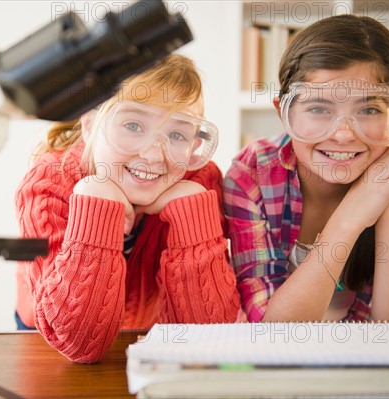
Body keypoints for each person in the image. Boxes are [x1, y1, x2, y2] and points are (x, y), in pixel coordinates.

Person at [224, 14, 389, 334]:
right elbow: (273, 333)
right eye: (318, 108)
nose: (343, 134)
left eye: (368, 110)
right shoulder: (252, 175)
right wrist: (351, 215)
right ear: (283, 113)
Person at [15, 54, 240, 363]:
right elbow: (79, 344)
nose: (151, 155)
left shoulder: (200, 181)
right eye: (133, 125)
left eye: (176, 135)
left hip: (148, 337)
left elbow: (207, 338)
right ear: (90, 126)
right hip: (47, 336)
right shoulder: (50, 181)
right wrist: (95, 202)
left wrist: (189, 209)